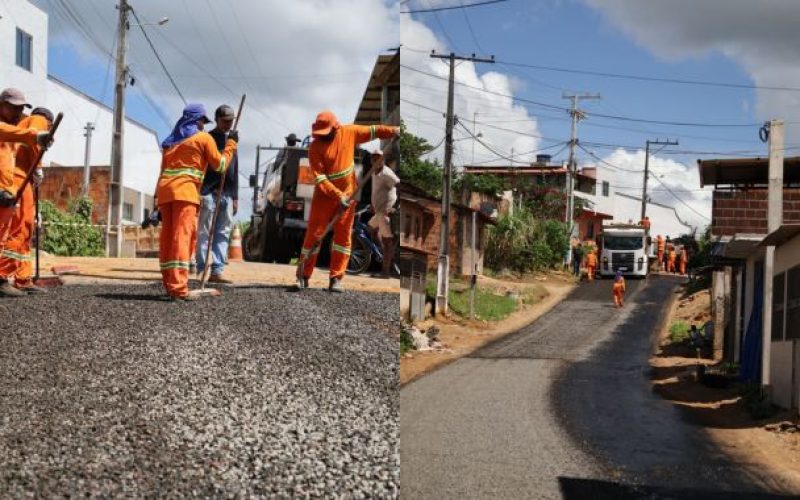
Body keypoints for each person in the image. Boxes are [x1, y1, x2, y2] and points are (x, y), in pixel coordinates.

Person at [296, 110, 399, 292]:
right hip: (324, 196)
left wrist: (393, 131)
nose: (324, 136)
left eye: (327, 132)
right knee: (314, 235)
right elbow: (320, 179)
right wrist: (338, 196)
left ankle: (336, 278)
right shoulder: (315, 148)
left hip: (348, 194)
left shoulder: (349, 132)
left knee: (343, 237)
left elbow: (373, 130)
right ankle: (303, 275)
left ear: (335, 127)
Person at [154, 103, 238, 301]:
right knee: (182, 238)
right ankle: (179, 288)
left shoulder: (170, 142)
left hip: (165, 194)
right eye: (202, 121)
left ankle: (170, 283)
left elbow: (162, 172)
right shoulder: (203, 138)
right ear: (197, 120)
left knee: (167, 239)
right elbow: (221, 165)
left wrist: (156, 198)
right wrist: (232, 144)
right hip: (185, 194)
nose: (202, 125)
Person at [0, 89, 54, 297]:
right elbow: (32, 138)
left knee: (20, 229)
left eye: (21, 108)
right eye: (15, 107)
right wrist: (38, 166)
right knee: (19, 228)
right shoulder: (39, 120)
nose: (19, 112)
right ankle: (5, 275)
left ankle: (22, 277)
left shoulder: (15, 125)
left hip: (13, 181)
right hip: (19, 178)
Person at [195, 105, 239, 284]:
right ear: (217, 119)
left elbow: (234, 169)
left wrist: (235, 196)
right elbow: (218, 162)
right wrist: (230, 144)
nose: (228, 124)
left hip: (227, 193)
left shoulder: (232, 140)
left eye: (231, 121)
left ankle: (217, 271)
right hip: (209, 192)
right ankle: (201, 269)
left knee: (223, 232)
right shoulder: (209, 138)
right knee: (204, 232)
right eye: (225, 121)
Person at [368, 148, 399, 278]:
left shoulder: (387, 173)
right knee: (370, 228)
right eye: (374, 158)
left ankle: (385, 272)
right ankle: (387, 256)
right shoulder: (374, 172)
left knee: (387, 242)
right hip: (378, 210)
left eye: (378, 158)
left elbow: (399, 185)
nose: (376, 160)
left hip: (385, 210)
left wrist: (394, 207)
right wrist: (373, 204)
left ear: (383, 160)